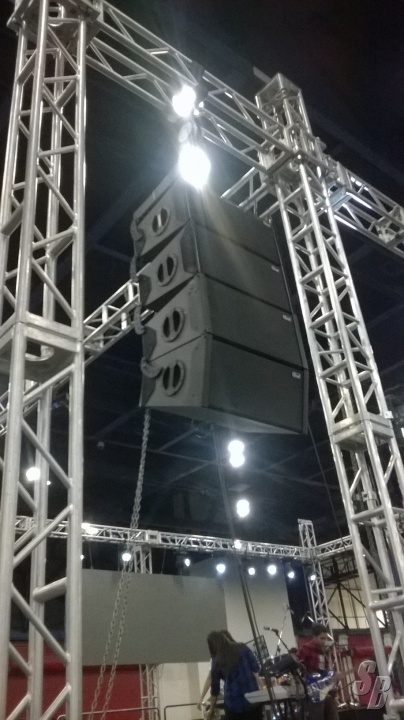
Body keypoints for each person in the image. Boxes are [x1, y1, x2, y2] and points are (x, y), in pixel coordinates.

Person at [205, 630, 263, 720]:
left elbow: (215, 689)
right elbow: (256, 669)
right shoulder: (243, 647)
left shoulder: (216, 660)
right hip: (254, 701)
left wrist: (211, 710)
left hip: (233, 704)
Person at [297, 623, 339, 720]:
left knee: (332, 710)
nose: (324, 641)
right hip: (313, 687)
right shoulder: (306, 648)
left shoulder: (324, 650)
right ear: (314, 637)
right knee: (318, 713)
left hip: (324, 687)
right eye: (322, 638)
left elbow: (325, 669)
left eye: (326, 638)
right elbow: (298, 665)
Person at [198, 631, 236, 710]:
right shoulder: (215, 658)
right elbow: (210, 679)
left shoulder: (236, 654)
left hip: (232, 692)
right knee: (209, 706)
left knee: (210, 707)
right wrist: (201, 698)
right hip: (224, 692)